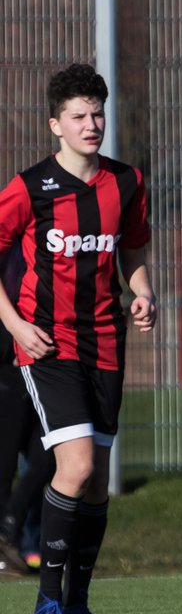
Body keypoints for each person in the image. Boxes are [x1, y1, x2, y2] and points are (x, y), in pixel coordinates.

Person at [0, 63, 157, 614]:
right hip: (49, 346)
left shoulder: (126, 182)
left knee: (94, 485)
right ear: (55, 125)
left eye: (97, 114)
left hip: (107, 347)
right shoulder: (29, 187)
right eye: (79, 116)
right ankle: (45, 600)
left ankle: (77, 605)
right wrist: (16, 325)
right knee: (79, 466)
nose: (92, 124)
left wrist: (141, 293)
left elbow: (134, 249)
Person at [0, 246, 56, 575]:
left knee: (50, 453)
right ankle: (9, 548)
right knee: (4, 466)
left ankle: (11, 524)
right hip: (7, 369)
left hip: (42, 368)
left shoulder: (44, 241)